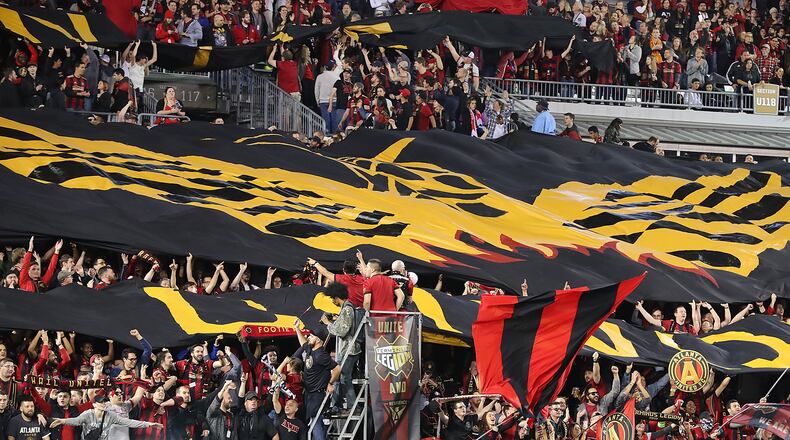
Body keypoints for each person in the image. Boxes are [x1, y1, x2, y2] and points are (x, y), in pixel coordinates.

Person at [286, 321, 339, 440]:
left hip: (318, 394)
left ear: (319, 340)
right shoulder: (311, 349)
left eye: (311, 336)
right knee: (315, 422)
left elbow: (337, 368)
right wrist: (297, 329)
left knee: (316, 423)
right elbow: (303, 343)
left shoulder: (321, 355)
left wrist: (330, 383)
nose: (309, 337)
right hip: (310, 394)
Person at [322, 283, 363, 415]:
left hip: (349, 349)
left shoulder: (347, 309)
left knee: (345, 377)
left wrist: (328, 324)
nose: (333, 302)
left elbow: (342, 331)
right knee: (339, 377)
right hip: (347, 349)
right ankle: (337, 406)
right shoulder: (346, 308)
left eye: (332, 299)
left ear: (336, 297)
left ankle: (353, 406)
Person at [50, 395, 162, 439]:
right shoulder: (88, 414)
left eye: (104, 402)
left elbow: (129, 422)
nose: (103, 404)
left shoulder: (110, 415)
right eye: (100, 402)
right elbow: (76, 421)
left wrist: (149, 424)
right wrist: (62, 421)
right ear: (94, 404)